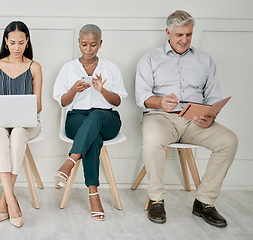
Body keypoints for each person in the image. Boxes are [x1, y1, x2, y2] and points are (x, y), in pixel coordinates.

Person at [135, 10, 238, 227]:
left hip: (196, 120)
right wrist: (160, 102)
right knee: (153, 141)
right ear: (168, 32)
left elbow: (213, 96)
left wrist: (211, 115)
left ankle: (204, 202)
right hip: (161, 117)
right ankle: (156, 199)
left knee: (229, 141)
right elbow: (141, 96)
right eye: (179, 34)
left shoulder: (205, 60)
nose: (184, 40)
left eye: (188, 35)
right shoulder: (150, 58)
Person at [53, 24, 127, 221]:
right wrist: (73, 90)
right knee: (92, 138)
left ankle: (70, 161)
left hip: (106, 118)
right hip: (76, 118)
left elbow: (118, 101)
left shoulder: (110, 68)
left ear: (100, 44)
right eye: (84, 44)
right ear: (78, 43)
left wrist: (102, 90)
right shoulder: (68, 68)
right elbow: (62, 101)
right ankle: (94, 195)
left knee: (95, 117)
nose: (88, 49)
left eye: (93, 45)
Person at [0, 21, 43, 228]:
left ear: (27, 42)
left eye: (21, 42)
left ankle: (4, 200)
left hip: (27, 123)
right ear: (6, 42)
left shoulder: (34, 67)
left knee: (17, 133)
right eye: (12, 43)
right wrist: (1, 106)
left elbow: (38, 106)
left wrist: (22, 108)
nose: (16, 47)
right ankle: (11, 200)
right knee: (0, 133)